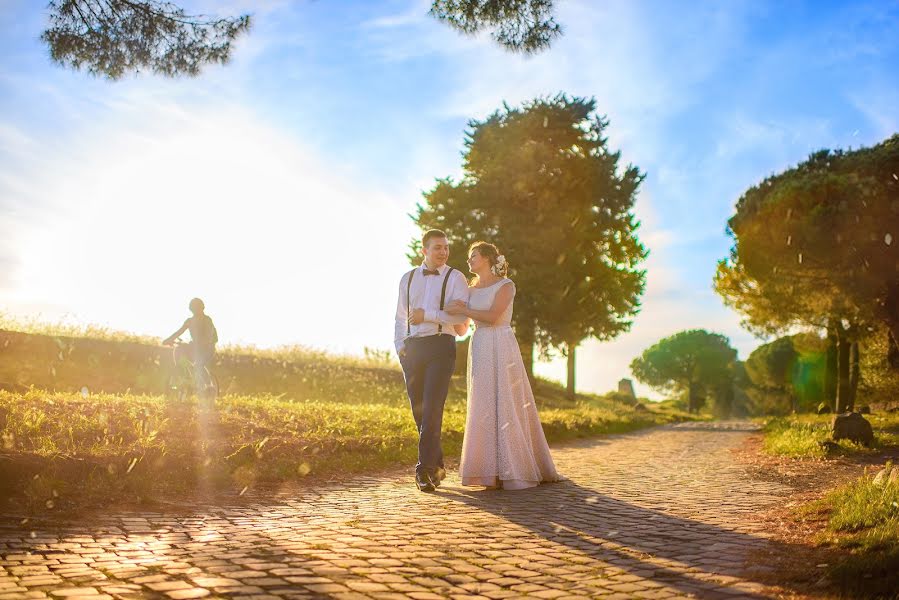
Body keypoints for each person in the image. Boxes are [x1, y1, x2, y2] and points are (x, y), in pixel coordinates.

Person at [445, 242, 561, 490]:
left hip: (502, 342)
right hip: (480, 344)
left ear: (487, 258)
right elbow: (463, 327)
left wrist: (463, 308)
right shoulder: (469, 289)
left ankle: (515, 469)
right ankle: (488, 473)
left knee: (506, 400)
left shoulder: (506, 286)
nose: (469, 261)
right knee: (483, 403)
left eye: (473, 256)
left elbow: (494, 316)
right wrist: (449, 318)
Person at [394, 229, 471, 492]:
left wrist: (427, 314)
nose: (443, 252)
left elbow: (460, 318)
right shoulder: (407, 278)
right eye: (437, 247)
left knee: (433, 408)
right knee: (419, 410)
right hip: (412, 349)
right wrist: (400, 347)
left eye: (446, 247)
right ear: (424, 250)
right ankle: (436, 464)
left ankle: (423, 470)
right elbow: (400, 317)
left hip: (441, 346)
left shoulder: (456, 277)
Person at [162, 298, 218, 394]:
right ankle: (182, 372)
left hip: (207, 349)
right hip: (195, 347)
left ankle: (209, 386)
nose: (195, 310)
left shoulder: (207, 320)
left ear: (202, 308)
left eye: (197, 308)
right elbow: (179, 332)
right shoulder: (189, 321)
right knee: (179, 349)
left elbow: (208, 336)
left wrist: (199, 343)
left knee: (198, 365)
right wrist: (168, 340)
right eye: (193, 308)